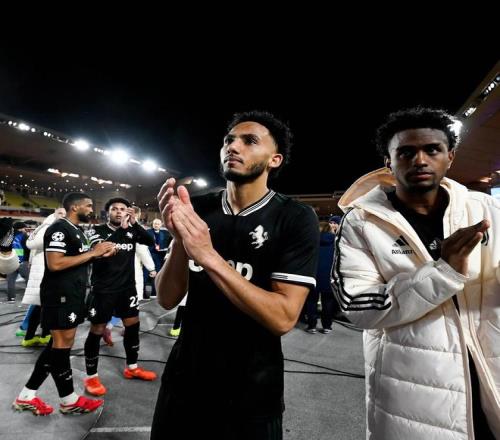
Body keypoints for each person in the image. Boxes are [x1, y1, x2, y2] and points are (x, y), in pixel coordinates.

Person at [333, 107, 500, 439]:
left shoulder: (488, 209)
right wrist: (443, 272)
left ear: (450, 157)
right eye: (406, 152)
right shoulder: (363, 222)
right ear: (389, 162)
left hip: (492, 379)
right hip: (415, 395)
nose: (420, 160)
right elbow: (358, 306)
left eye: (432, 150)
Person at [151, 111, 319, 439]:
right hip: (184, 381)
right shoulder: (198, 208)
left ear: (274, 159)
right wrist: (180, 243)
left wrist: (208, 256)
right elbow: (167, 298)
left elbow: (283, 317)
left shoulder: (295, 217)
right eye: (229, 140)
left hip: (252, 391)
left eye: (249, 141)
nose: (233, 146)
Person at [13, 192, 115, 415]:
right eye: (88, 205)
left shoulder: (76, 229)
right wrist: (93, 253)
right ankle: (68, 400)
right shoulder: (59, 228)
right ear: (75, 207)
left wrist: (99, 254)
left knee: (58, 347)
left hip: (72, 294)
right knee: (60, 346)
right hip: (60, 295)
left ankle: (27, 396)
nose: (92, 209)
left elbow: (79, 258)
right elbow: (55, 264)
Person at [83, 197, 157, 397]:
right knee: (97, 329)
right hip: (103, 290)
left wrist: (135, 224)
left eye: (122, 209)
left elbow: (150, 241)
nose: (118, 211)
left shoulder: (132, 230)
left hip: (127, 288)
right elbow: (102, 250)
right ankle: (91, 376)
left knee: (133, 326)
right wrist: (122, 231)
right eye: (114, 208)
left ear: (127, 212)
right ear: (107, 212)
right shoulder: (96, 231)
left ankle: (132, 367)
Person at [20, 207, 66, 347]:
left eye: (64, 214)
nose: (62, 216)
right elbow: (32, 243)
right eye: (60, 213)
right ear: (54, 214)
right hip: (44, 272)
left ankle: (40, 335)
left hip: (48, 272)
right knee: (42, 306)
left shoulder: (49, 227)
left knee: (43, 306)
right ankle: (33, 336)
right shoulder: (47, 227)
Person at [304, 220, 337, 334]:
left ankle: (311, 326)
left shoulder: (311, 241)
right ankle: (327, 326)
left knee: (311, 301)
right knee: (328, 301)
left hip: (312, 274)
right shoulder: (335, 241)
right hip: (329, 275)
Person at [5, 221, 30, 302]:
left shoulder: (8, 236)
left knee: (10, 280)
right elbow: (28, 248)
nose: (25, 230)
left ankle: (11, 298)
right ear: (20, 228)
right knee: (28, 279)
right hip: (22, 261)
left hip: (10, 261)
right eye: (24, 228)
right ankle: (29, 298)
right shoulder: (24, 236)